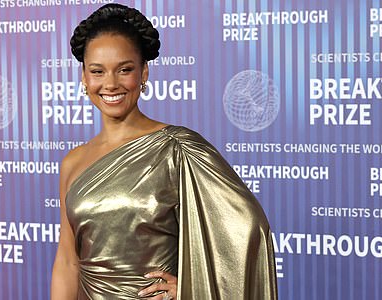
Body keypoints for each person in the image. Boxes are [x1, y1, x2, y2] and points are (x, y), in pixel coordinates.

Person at [50, 3, 277, 300]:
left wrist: (193, 285)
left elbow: (245, 230)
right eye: (97, 71)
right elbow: (67, 262)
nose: (110, 83)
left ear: (143, 73)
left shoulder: (178, 149)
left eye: (125, 70)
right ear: (84, 77)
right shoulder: (73, 162)